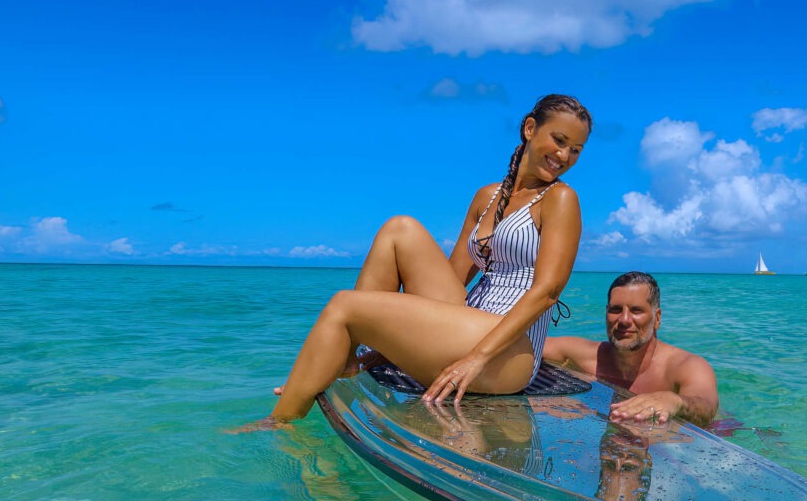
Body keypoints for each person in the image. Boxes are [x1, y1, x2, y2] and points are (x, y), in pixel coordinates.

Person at [255, 93, 590, 426]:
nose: (564, 156)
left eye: (575, 150)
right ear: (530, 128)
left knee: (346, 305)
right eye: (559, 140)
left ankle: (279, 424)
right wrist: (393, 346)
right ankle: (343, 360)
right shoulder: (487, 197)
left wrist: (475, 358)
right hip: (469, 323)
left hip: (510, 351)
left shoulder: (561, 199)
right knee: (399, 229)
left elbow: (547, 292)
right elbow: (453, 279)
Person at [544, 270, 720, 426]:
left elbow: (707, 407)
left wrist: (674, 401)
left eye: (636, 310)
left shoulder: (686, 366)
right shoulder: (588, 356)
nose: (624, 320)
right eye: (616, 310)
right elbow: (529, 346)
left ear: (657, 318)